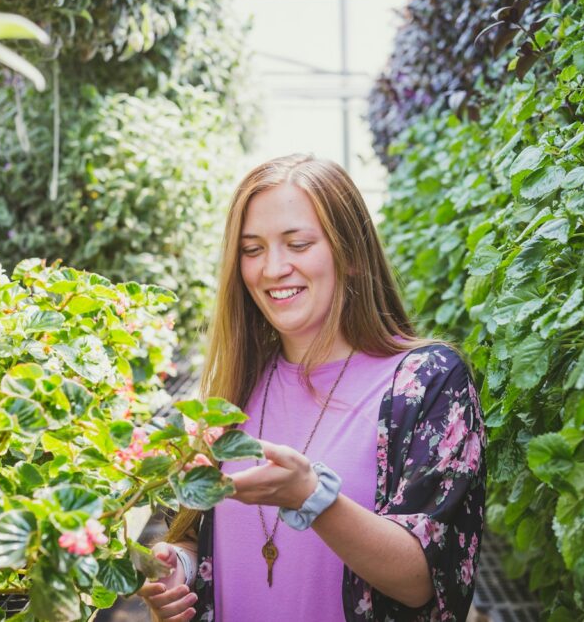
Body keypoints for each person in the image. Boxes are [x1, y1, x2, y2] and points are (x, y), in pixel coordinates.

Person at [138, 154, 486, 621]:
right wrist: (178, 568)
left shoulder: (427, 382)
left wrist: (313, 499)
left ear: (353, 256)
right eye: (252, 249)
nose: (273, 268)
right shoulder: (233, 385)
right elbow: (200, 534)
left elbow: (425, 580)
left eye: (298, 244)